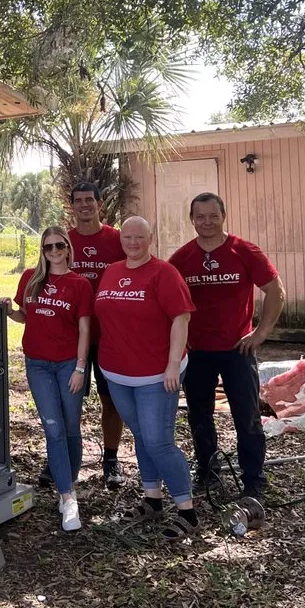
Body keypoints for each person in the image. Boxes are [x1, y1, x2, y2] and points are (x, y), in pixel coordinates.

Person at [169, 192, 285, 500]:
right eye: (200, 217)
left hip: (238, 350)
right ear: (191, 219)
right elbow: (164, 301)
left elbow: (275, 291)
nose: (207, 222)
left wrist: (260, 332)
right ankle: (209, 474)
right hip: (197, 351)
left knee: (246, 417)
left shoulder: (244, 251)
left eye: (213, 216)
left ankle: (254, 483)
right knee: (199, 416)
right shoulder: (181, 259)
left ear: (224, 216)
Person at [95, 216, 198, 540]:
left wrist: (172, 365)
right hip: (117, 373)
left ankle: (187, 511)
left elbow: (180, 319)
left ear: (150, 238)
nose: (133, 242)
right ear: (121, 239)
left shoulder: (164, 273)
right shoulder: (112, 271)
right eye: (127, 236)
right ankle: (152, 499)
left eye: (140, 237)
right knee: (141, 436)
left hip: (156, 375)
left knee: (159, 442)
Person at [6, 226, 93, 531]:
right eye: (48, 247)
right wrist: (9, 311)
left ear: (68, 248)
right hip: (38, 365)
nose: (54, 251)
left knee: (70, 427)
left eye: (59, 246)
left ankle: (68, 483)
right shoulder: (31, 277)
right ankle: (68, 498)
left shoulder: (79, 284)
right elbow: (24, 316)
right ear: (42, 250)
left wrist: (81, 368)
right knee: (53, 428)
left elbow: (85, 329)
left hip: (69, 364)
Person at [67, 181, 127, 490]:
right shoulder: (62, 241)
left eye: (90, 199)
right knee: (68, 401)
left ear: (99, 204)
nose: (84, 205)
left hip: (109, 336)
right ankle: (65, 459)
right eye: (78, 201)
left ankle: (111, 459)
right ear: (72, 206)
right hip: (71, 337)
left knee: (111, 400)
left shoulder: (117, 240)